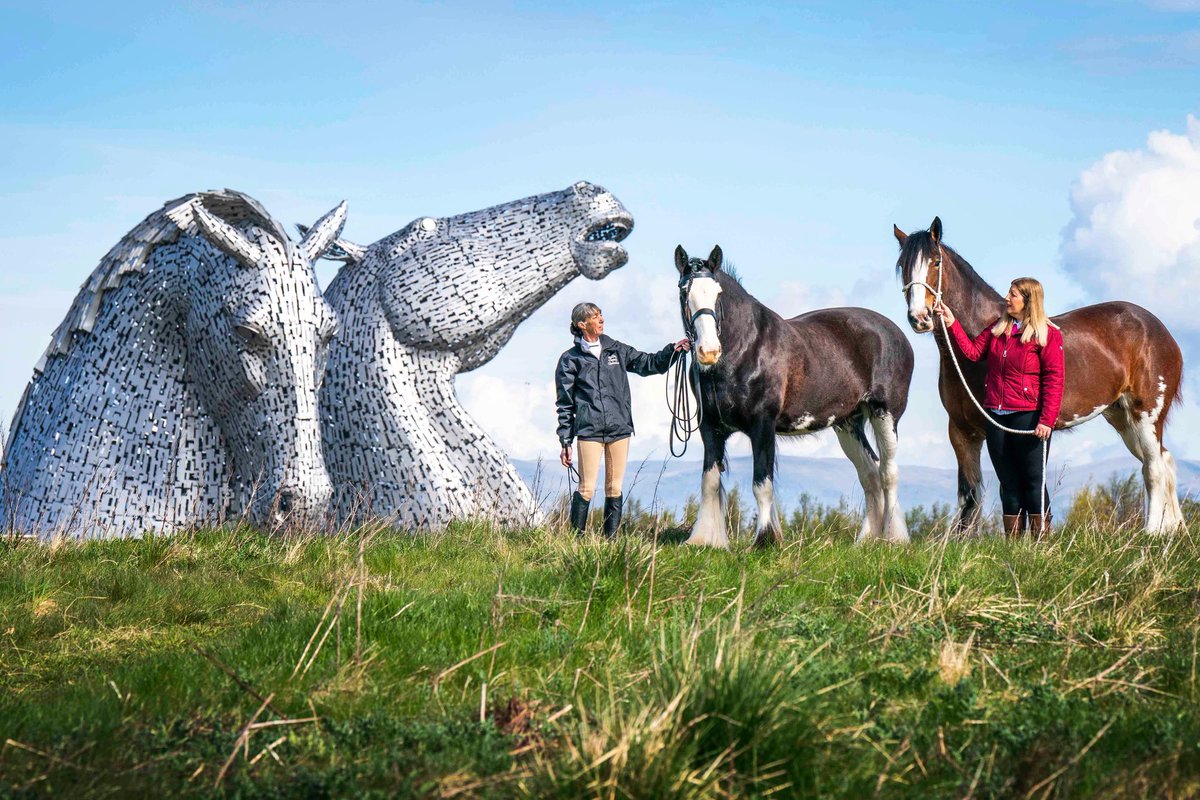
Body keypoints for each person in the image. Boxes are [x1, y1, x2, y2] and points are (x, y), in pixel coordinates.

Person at [933, 278, 1064, 538]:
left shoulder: (1048, 335)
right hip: (997, 418)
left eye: (1013, 294)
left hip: (1028, 418)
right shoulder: (997, 329)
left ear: (1028, 301)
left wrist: (1047, 420)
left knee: (1034, 484)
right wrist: (952, 323)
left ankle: (1041, 547)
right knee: (1009, 484)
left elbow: (1054, 379)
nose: (1006, 297)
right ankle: (1015, 548)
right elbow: (972, 352)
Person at [555, 302, 690, 537]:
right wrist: (565, 441)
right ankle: (575, 541)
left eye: (601, 315)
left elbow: (649, 363)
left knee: (614, 488)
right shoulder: (570, 360)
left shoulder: (616, 349)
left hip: (619, 429)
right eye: (595, 317)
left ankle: (611, 542)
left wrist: (674, 351)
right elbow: (565, 404)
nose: (601, 319)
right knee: (586, 488)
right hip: (589, 431)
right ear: (582, 324)